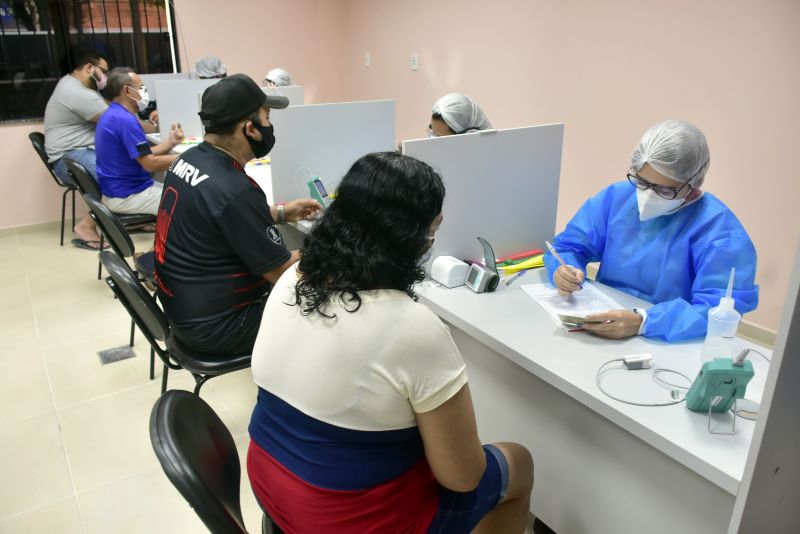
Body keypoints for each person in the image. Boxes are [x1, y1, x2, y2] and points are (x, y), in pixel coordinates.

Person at [247, 152, 535, 533]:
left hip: (270, 488)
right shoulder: (412, 327)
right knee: (518, 462)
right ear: (411, 239)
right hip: (339, 520)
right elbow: (462, 478)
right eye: (432, 230)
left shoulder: (293, 276)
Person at [545, 120, 759, 342]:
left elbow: (718, 310)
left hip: (670, 339)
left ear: (693, 182)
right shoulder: (617, 198)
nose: (647, 196)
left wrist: (645, 322)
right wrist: (566, 270)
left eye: (665, 189)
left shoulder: (722, 236)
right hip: (600, 324)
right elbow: (568, 246)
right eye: (642, 181)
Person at [154, 74, 320, 357]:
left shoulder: (189, 159)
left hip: (181, 309)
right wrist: (333, 246)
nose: (270, 126)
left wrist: (280, 213)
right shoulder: (235, 189)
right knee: (325, 299)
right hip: (218, 329)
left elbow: (216, 219)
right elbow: (281, 272)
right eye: (267, 118)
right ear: (250, 128)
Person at [43, 50, 109, 250]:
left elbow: (107, 107)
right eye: (104, 71)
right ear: (90, 68)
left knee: (125, 166)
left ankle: (136, 217)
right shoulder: (76, 92)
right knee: (114, 174)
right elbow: (114, 121)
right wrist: (148, 122)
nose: (105, 77)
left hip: (75, 152)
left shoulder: (79, 85)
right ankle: (85, 226)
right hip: (68, 159)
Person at [95, 67, 184, 215]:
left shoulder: (114, 114)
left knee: (185, 191)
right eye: (141, 87)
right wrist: (187, 158)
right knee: (191, 201)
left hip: (121, 190)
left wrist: (170, 143)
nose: (144, 92)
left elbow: (138, 154)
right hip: (128, 196)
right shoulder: (125, 120)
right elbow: (149, 164)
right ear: (127, 90)